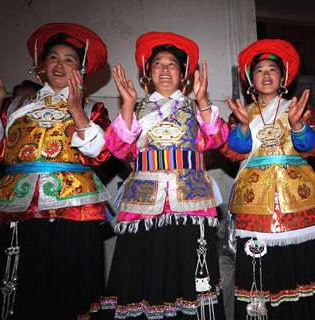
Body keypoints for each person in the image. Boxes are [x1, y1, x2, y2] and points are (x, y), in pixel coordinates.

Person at [0, 23, 111, 320]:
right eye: (53, 57)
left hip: (71, 208)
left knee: (65, 289)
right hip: (14, 206)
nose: (60, 64)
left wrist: (76, 109)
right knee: (11, 288)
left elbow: (99, 153)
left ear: (82, 69)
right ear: (41, 65)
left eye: (69, 59)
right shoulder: (19, 105)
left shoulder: (93, 108)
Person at [98, 31, 228, 319]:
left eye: (173, 64)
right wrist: (128, 105)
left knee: (190, 268)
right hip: (144, 203)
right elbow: (118, 149)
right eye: (158, 63)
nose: (166, 69)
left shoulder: (197, 108)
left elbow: (218, 139)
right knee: (145, 268)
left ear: (183, 74)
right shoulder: (136, 107)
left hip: (191, 200)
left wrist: (204, 99)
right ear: (147, 73)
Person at [220, 39, 315, 320]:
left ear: (283, 78)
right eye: (259, 70)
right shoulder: (241, 112)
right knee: (260, 263)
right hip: (254, 200)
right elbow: (231, 151)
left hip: (298, 199)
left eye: (273, 69)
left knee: (303, 261)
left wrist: (297, 125)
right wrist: (244, 127)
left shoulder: (297, 107)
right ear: (252, 80)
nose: (267, 74)